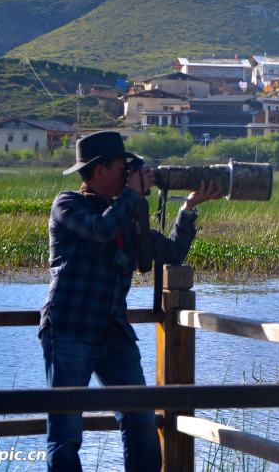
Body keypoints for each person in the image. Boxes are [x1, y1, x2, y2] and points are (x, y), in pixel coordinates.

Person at [39, 131, 223, 471]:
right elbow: (100, 230)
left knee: (141, 421)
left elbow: (169, 253)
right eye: (123, 167)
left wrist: (188, 208)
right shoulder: (67, 204)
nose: (129, 173)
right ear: (99, 171)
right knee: (66, 434)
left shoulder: (126, 212)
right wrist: (131, 195)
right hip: (69, 329)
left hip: (114, 333)